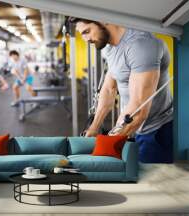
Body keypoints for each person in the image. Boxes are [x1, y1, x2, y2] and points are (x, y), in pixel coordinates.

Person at [69, 17, 173, 163]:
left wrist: (107, 146)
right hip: (131, 130)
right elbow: (109, 88)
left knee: (150, 181)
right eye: (82, 34)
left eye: (87, 31)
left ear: (104, 20)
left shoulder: (141, 45)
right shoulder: (108, 47)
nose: (86, 39)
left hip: (156, 131)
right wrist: (94, 127)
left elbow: (138, 109)